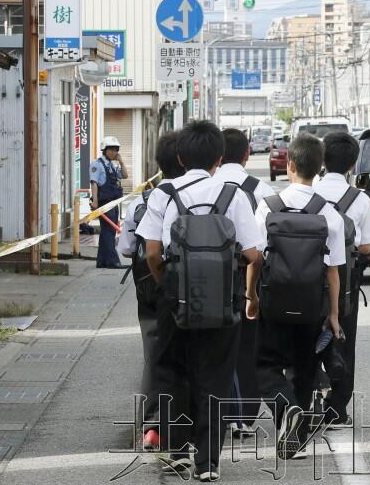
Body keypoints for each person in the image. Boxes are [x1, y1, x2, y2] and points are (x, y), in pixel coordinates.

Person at [137, 121, 262, 482]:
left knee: (173, 372)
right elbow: (253, 252)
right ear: (219, 159)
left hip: (175, 300)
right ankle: (208, 463)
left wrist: (168, 286)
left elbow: (152, 253)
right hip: (223, 302)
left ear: (179, 156)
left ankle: (178, 452)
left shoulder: (164, 193)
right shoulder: (232, 194)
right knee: (216, 377)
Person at [254, 134, 346, 461]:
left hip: (273, 301)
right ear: (320, 167)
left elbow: (255, 258)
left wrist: (251, 299)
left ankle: (286, 409)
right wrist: (333, 314)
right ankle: (297, 440)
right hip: (312, 304)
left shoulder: (268, 207)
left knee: (263, 366)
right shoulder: (329, 213)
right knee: (305, 369)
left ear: (289, 165)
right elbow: (333, 271)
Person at [117, 131, 183, 452]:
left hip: (149, 289)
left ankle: (153, 425)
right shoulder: (203, 198)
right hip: (190, 288)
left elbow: (126, 247)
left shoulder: (141, 203)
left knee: (154, 352)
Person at [213, 128, 277, 435]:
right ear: (247, 153)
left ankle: (223, 411)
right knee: (249, 345)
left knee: (217, 344)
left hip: (211, 277)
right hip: (252, 272)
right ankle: (246, 413)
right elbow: (267, 243)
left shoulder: (207, 186)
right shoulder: (260, 189)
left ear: (217, 155)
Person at [315, 132, 370, 427]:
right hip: (345, 278)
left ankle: (307, 398)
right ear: (353, 165)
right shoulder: (361, 200)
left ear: (322, 161)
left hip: (304, 276)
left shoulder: (310, 190)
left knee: (306, 336)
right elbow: (366, 247)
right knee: (343, 338)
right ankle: (337, 407)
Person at [91, 136, 129, 269]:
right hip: (104, 203)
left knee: (108, 231)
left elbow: (125, 175)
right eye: (111, 149)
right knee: (109, 231)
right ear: (104, 150)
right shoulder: (97, 164)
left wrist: (122, 162)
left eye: (116, 150)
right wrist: (95, 201)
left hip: (113, 203)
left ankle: (101, 261)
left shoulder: (111, 165)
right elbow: (94, 183)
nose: (114, 152)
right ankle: (113, 261)